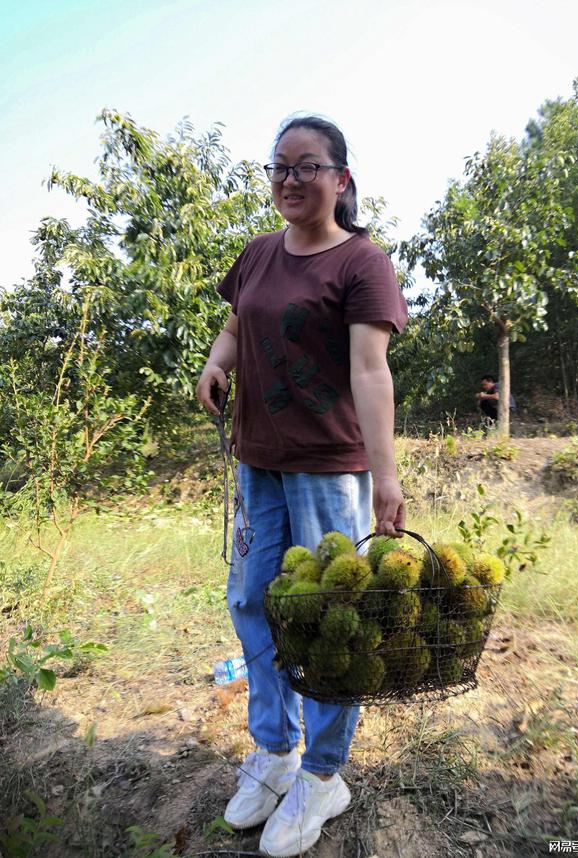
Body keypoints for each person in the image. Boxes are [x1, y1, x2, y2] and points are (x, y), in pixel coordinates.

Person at [196, 115, 407, 857]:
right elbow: (235, 324)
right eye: (279, 166)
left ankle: (323, 775)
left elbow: (370, 373)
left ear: (340, 179)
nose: (289, 179)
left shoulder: (362, 264)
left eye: (307, 166)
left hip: (328, 471)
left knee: (325, 620)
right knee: (254, 600)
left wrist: (385, 479)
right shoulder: (256, 255)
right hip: (259, 462)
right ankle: (276, 750)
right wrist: (217, 363)